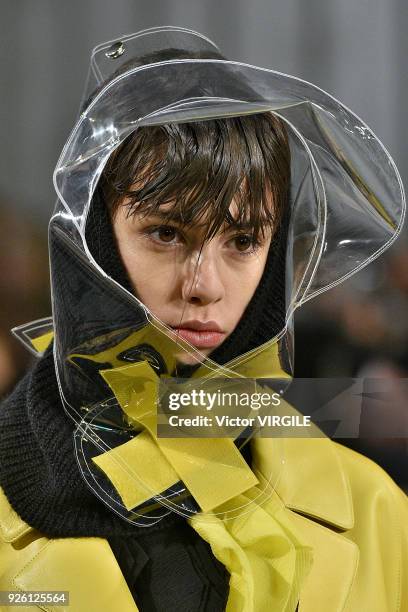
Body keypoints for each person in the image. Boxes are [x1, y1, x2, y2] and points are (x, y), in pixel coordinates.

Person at [0, 26, 407, 612]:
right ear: (91, 242)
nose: (204, 287)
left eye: (243, 240)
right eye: (165, 233)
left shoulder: (376, 512)